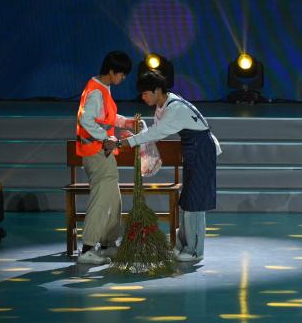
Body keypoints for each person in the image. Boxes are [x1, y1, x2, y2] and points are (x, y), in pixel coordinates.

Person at [107, 70, 221, 263]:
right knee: (188, 199)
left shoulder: (174, 108)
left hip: (201, 149)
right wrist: (134, 136)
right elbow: (154, 133)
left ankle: (195, 251)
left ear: (157, 90)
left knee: (194, 202)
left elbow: (155, 133)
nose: (143, 98)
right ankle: (182, 245)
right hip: (192, 148)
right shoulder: (163, 105)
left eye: (145, 93)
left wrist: (122, 142)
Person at [75, 50, 133, 265]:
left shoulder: (101, 88)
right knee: (101, 200)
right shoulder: (96, 92)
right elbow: (86, 120)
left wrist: (125, 122)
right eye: (122, 74)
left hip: (103, 153)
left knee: (113, 199)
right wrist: (106, 137)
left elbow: (105, 118)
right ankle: (88, 249)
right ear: (111, 71)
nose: (123, 78)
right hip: (96, 153)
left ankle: (108, 244)